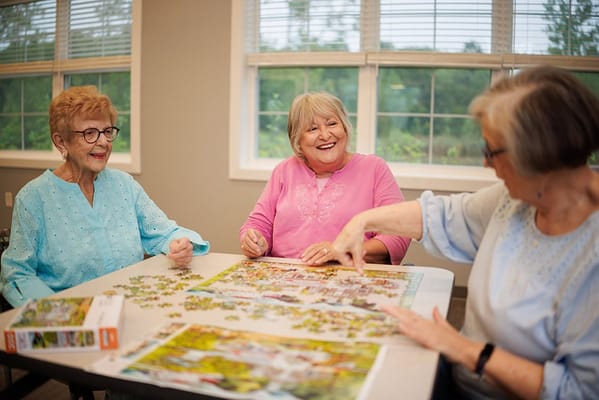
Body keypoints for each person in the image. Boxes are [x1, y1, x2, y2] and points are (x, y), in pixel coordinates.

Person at [332, 66, 599, 399]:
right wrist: (362, 221)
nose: (486, 165)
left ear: (537, 156)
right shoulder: (514, 201)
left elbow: (579, 391)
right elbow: (442, 215)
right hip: (458, 372)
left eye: (491, 151)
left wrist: (463, 348)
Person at [1, 85, 210, 308]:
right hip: (70, 322)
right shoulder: (33, 199)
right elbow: (17, 275)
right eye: (89, 133)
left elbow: (165, 232)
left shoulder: (124, 185)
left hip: (133, 307)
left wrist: (180, 245)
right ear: (61, 141)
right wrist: (59, 313)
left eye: (107, 131)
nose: (103, 142)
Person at [239, 91, 410, 266]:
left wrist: (340, 250)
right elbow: (257, 224)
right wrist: (253, 241)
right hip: (284, 281)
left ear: (344, 127)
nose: (325, 135)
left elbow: (398, 234)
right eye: (313, 129)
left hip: (352, 280)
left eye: (332, 124)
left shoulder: (374, 168)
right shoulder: (283, 170)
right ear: (297, 139)